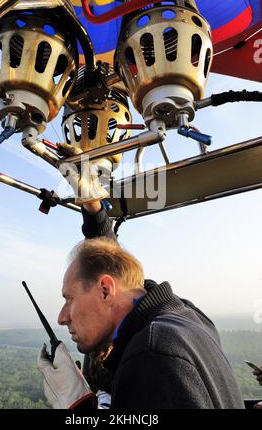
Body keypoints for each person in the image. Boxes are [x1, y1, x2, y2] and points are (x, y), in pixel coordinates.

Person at [37, 143, 245, 409]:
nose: (62, 317)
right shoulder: (186, 315)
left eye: (69, 299)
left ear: (105, 290)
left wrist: (77, 403)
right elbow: (118, 271)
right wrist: (94, 209)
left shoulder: (151, 354)